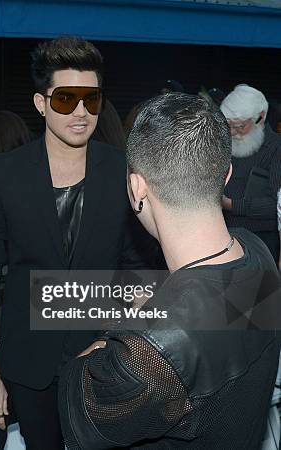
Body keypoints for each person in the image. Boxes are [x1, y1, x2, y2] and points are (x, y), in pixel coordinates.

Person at [59, 92, 280, 449]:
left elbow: (74, 403)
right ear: (226, 175)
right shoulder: (258, 253)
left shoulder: (149, 350)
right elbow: (217, 323)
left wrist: (126, 324)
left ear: (136, 187)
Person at [0, 36, 150, 449]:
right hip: (28, 365)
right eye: (66, 99)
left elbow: (137, 268)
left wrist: (119, 341)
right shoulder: (4, 173)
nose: (81, 112)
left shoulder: (120, 170)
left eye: (92, 99)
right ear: (41, 102)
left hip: (105, 359)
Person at [220, 84, 281, 261]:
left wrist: (230, 204)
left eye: (239, 126)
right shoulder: (227, 143)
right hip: (225, 235)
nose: (232, 132)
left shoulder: (276, 148)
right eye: (228, 126)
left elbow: (275, 205)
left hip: (262, 242)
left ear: (260, 118)